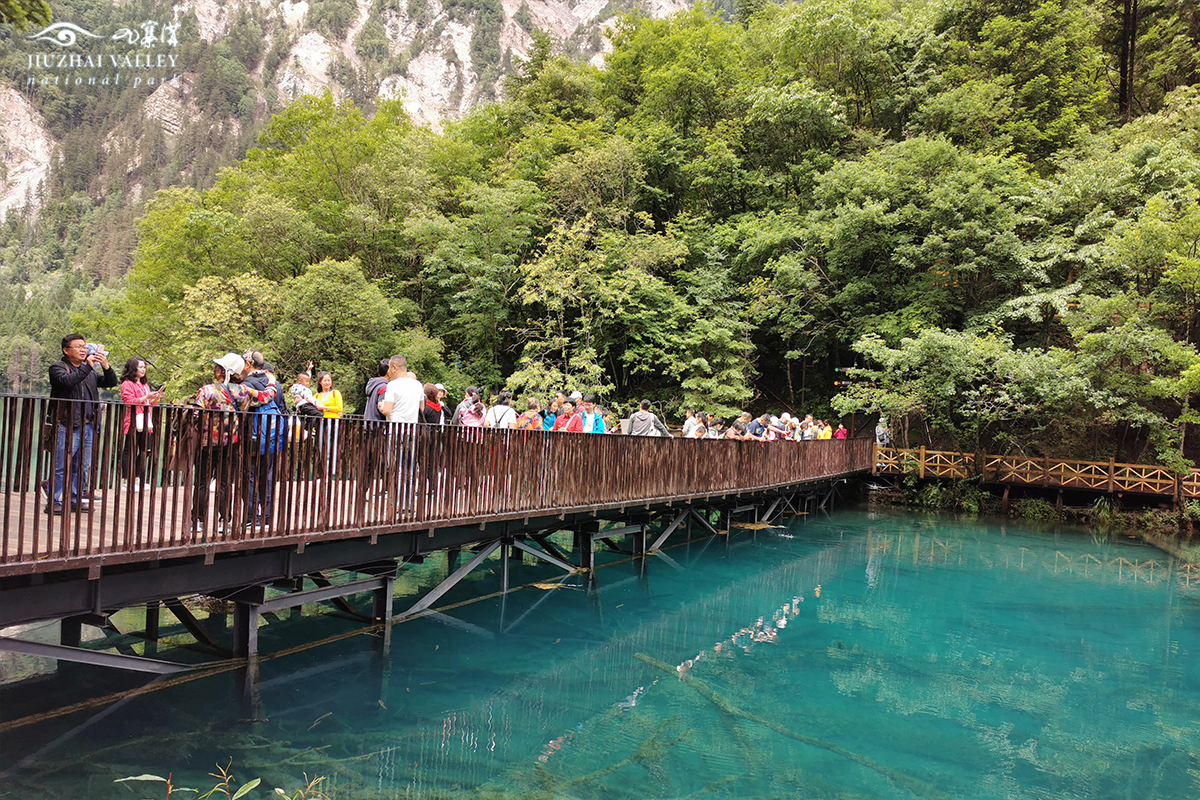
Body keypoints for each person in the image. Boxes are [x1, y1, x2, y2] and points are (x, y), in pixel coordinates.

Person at [190, 353, 278, 532]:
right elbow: (267, 396)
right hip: (231, 443)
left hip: (206, 442)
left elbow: (195, 414)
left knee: (202, 482)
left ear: (221, 372)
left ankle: (198, 520)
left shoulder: (206, 390)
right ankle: (224, 521)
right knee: (224, 482)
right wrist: (271, 381)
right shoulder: (241, 391)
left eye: (217, 368)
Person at [47, 334, 118, 513]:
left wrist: (105, 366)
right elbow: (67, 381)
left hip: (88, 425)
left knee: (82, 466)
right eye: (78, 346)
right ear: (66, 350)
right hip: (65, 423)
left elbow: (111, 382)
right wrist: (87, 366)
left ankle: (75, 499)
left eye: (84, 346)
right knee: (61, 464)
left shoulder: (91, 373)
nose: (83, 349)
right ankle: (54, 500)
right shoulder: (58, 368)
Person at [243, 359, 289, 529]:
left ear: (249, 365)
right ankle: (268, 517)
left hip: (253, 436)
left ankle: (251, 517)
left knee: (250, 475)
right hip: (272, 436)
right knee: (268, 475)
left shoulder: (248, 383)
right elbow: (282, 408)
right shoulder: (275, 384)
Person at [119, 356, 163, 493]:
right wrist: (147, 397)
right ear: (133, 368)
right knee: (129, 449)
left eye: (144, 367)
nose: (143, 370)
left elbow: (149, 404)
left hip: (146, 420)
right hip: (133, 420)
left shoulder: (145, 386)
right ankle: (126, 480)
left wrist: (155, 399)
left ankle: (137, 478)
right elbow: (129, 401)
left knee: (146, 450)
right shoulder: (127, 384)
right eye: (140, 367)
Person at [379, 355, 424, 423]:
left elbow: (386, 411)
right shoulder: (418, 385)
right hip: (411, 428)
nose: (388, 371)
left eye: (389, 368)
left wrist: (381, 405)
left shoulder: (392, 385)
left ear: (394, 368)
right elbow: (421, 408)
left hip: (395, 428)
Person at [363, 359, 390, 423]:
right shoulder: (384, 387)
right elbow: (382, 409)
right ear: (388, 372)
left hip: (368, 423)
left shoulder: (374, 384)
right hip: (378, 426)